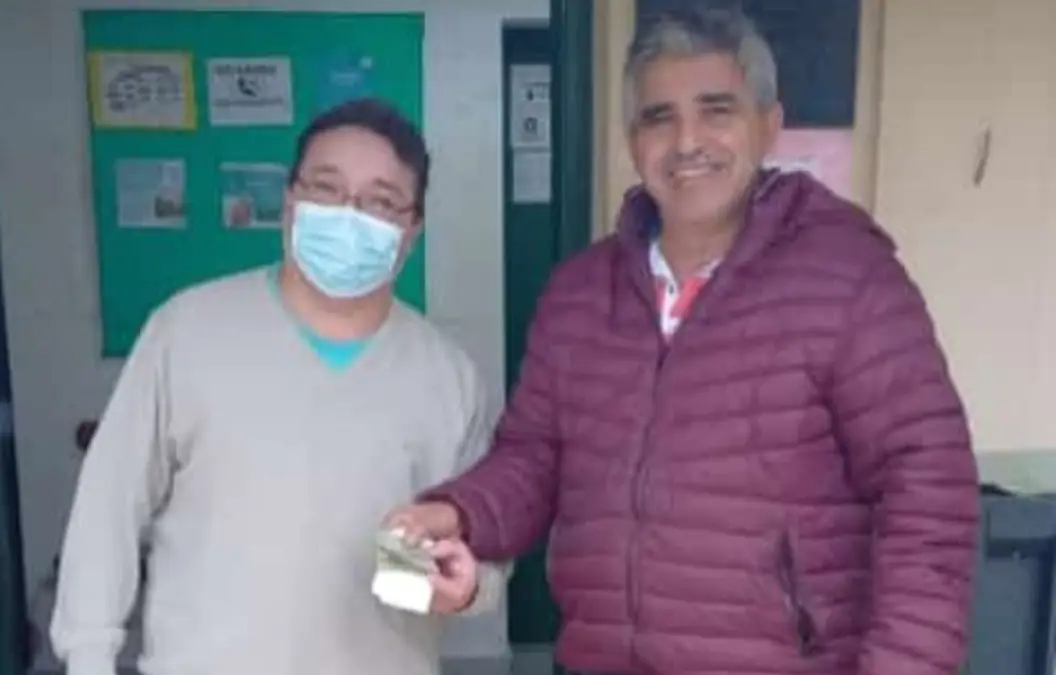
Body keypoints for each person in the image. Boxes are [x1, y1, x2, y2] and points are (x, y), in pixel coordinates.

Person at [387, 8, 979, 675]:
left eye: (716, 110)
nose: (687, 141)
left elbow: (927, 491)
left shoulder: (848, 278)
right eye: (659, 117)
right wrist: (458, 512)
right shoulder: (581, 293)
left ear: (769, 125)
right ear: (633, 141)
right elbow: (533, 456)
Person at [50, 97, 503, 675]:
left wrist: (467, 588)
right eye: (326, 189)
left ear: (412, 229)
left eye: (381, 202)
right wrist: (89, 656)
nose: (349, 214)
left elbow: (481, 549)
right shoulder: (188, 333)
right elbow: (108, 507)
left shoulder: (447, 378)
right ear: (290, 202)